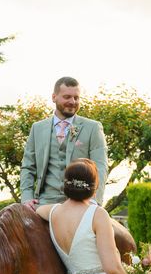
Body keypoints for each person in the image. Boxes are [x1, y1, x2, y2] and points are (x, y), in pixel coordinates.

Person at [21, 76, 108, 210]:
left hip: (81, 203)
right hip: (44, 202)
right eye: (67, 97)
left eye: (76, 98)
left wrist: (94, 201)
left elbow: (100, 167)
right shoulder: (37, 128)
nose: (72, 102)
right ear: (54, 97)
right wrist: (27, 198)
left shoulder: (93, 128)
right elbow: (28, 167)